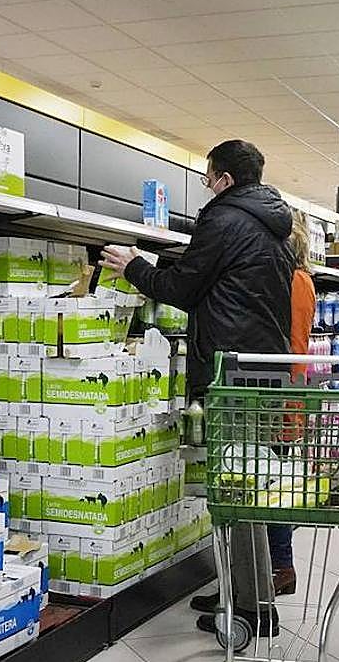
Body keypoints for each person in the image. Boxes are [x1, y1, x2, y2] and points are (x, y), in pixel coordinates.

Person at [101, 139, 297, 632]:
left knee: (238, 489)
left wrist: (134, 266)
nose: (206, 186)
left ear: (226, 179)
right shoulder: (272, 223)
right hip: (262, 368)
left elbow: (183, 290)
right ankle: (241, 594)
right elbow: (215, 280)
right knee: (248, 483)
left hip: (230, 373)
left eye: (207, 177)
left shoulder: (224, 217)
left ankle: (253, 609)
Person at [185, 209, 317, 615]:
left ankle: (264, 580)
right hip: (280, 393)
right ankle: (250, 581)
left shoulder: (288, 281)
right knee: (265, 486)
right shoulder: (300, 280)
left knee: (261, 490)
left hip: (271, 397)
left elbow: (279, 345)